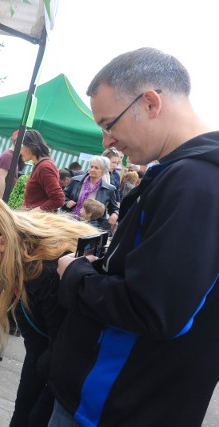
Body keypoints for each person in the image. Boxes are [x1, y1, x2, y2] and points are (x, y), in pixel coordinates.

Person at [51, 47, 219, 427]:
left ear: (150, 103)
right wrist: (103, 267)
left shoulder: (197, 183)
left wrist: (76, 275)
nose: (106, 141)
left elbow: (154, 311)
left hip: (113, 407)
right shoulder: (183, 175)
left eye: (109, 124)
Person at [0, 194, 97, 427]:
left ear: (2, 241)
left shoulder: (45, 271)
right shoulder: (15, 261)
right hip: (53, 359)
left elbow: (62, 355)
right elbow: (37, 347)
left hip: (81, 379)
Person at [63, 155, 119, 230]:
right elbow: (62, 196)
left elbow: (114, 208)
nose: (92, 169)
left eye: (96, 168)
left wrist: (115, 214)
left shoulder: (109, 189)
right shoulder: (75, 181)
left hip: (91, 227)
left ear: (103, 171)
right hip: (69, 221)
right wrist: (67, 202)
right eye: (91, 166)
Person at [19, 130, 64, 211]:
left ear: (30, 146)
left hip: (38, 220)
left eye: (22, 147)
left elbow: (58, 199)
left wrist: (33, 212)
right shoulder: (39, 164)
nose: (20, 152)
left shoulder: (45, 167)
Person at [0, 130, 25, 198]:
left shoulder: (13, 156)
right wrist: (2, 200)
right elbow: (1, 178)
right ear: (17, 142)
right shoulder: (8, 156)